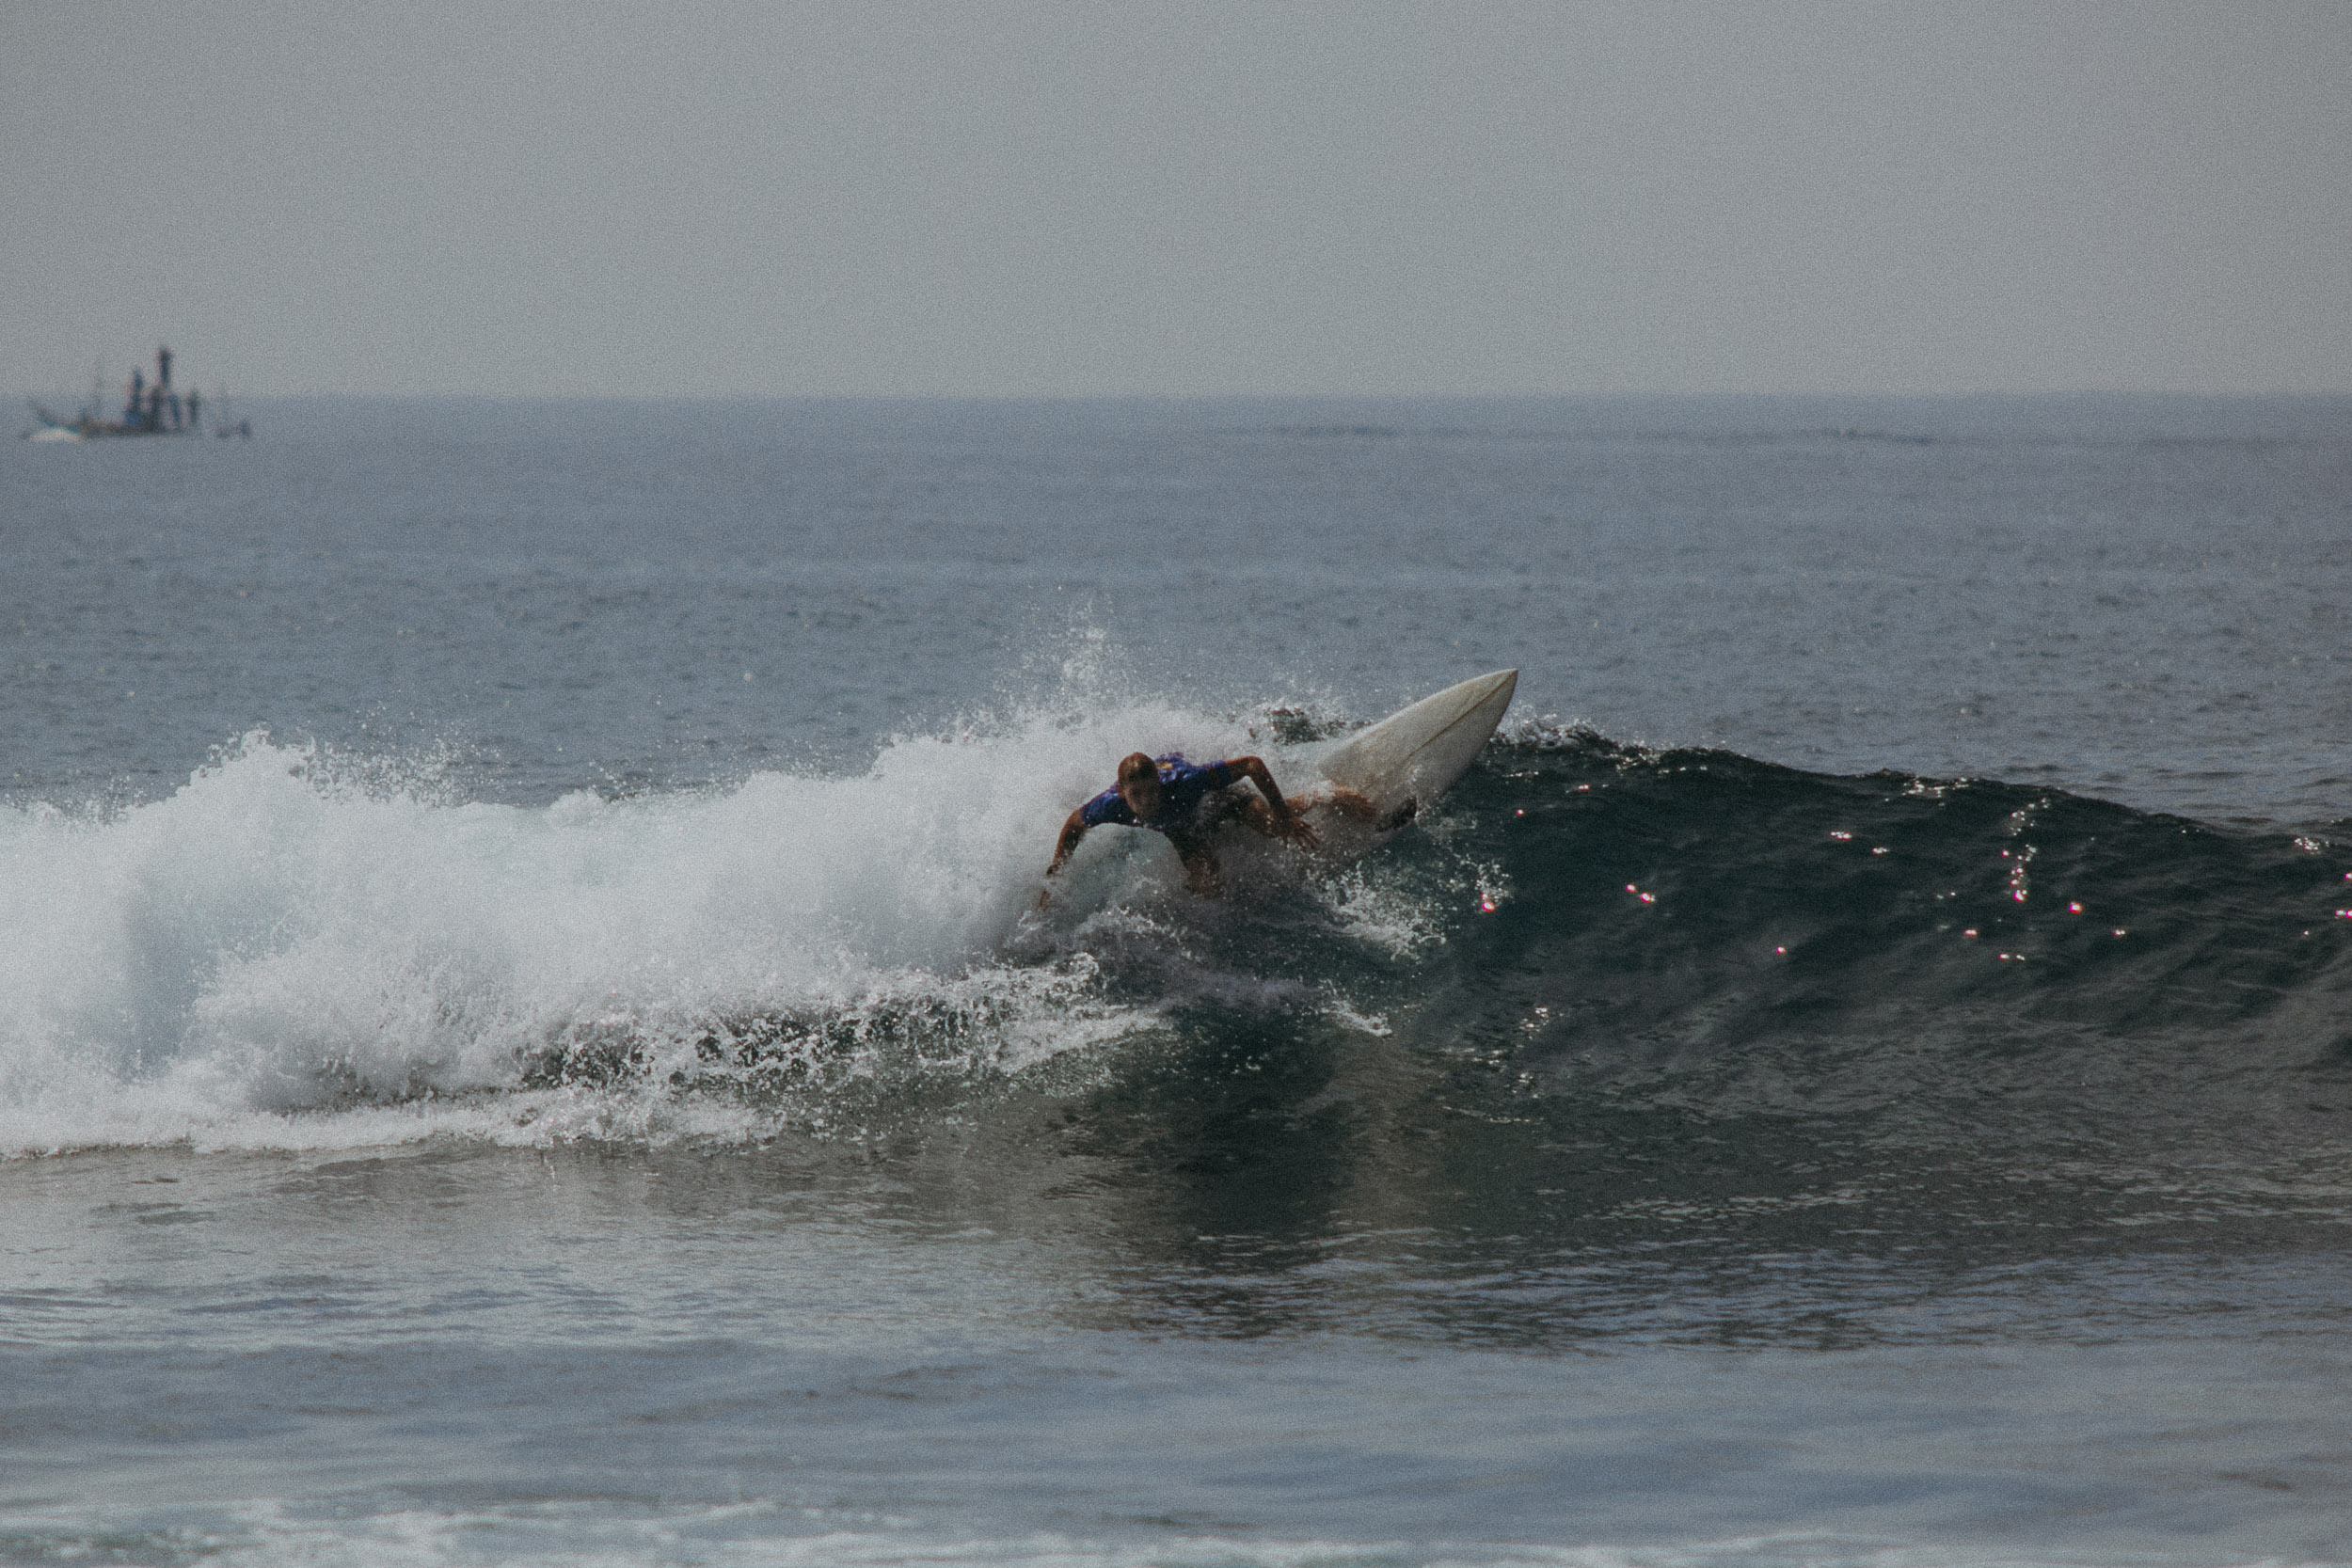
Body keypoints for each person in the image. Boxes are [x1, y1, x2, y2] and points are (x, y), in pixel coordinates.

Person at [1041, 751, 1384, 900]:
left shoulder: (1186, 781)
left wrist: (1283, 813)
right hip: (1182, 829)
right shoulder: (1111, 805)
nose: (1145, 802)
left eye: (1150, 792)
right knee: (1209, 885)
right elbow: (1074, 824)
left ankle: (1327, 795)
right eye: (1136, 795)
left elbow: (1251, 763)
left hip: (1218, 802)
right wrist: (1057, 871)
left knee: (1271, 825)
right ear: (1121, 792)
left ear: (1160, 784)